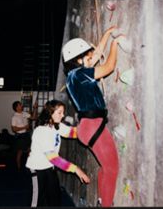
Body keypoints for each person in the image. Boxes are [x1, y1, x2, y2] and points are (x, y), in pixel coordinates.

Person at [61, 26, 124, 207]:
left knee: (106, 167)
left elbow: (96, 55)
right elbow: (109, 67)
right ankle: (105, 204)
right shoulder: (80, 75)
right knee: (112, 167)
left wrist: (106, 34)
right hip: (92, 124)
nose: (91, 57)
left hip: (89, 126)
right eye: (86, 55)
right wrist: (115, 44)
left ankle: (102, 201)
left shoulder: (74, 76)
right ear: (78, 59)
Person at [26, 99, 90, 207]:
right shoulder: (41, 131)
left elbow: (73, 133)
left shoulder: (57, 126)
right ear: (50, 113)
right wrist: (76, 170)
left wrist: (89, 127)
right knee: (37, 202)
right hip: (37, 170)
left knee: (55, 198)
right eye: (59, 112)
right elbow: (54, 158)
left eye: (63, 112)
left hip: (50, 168)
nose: (63, 115)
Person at [11, 100, 37, 171]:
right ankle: (18, 168)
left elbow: (34, 117)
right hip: (20, 136)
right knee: (20, 152)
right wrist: (24, 127)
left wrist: (35, 108)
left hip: (26, 135)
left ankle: (29, 166)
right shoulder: (14, 117)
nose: (21, 106)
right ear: (16, 107)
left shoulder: (24, 113)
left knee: (30, 150)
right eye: (20, 105)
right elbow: (14, 129)